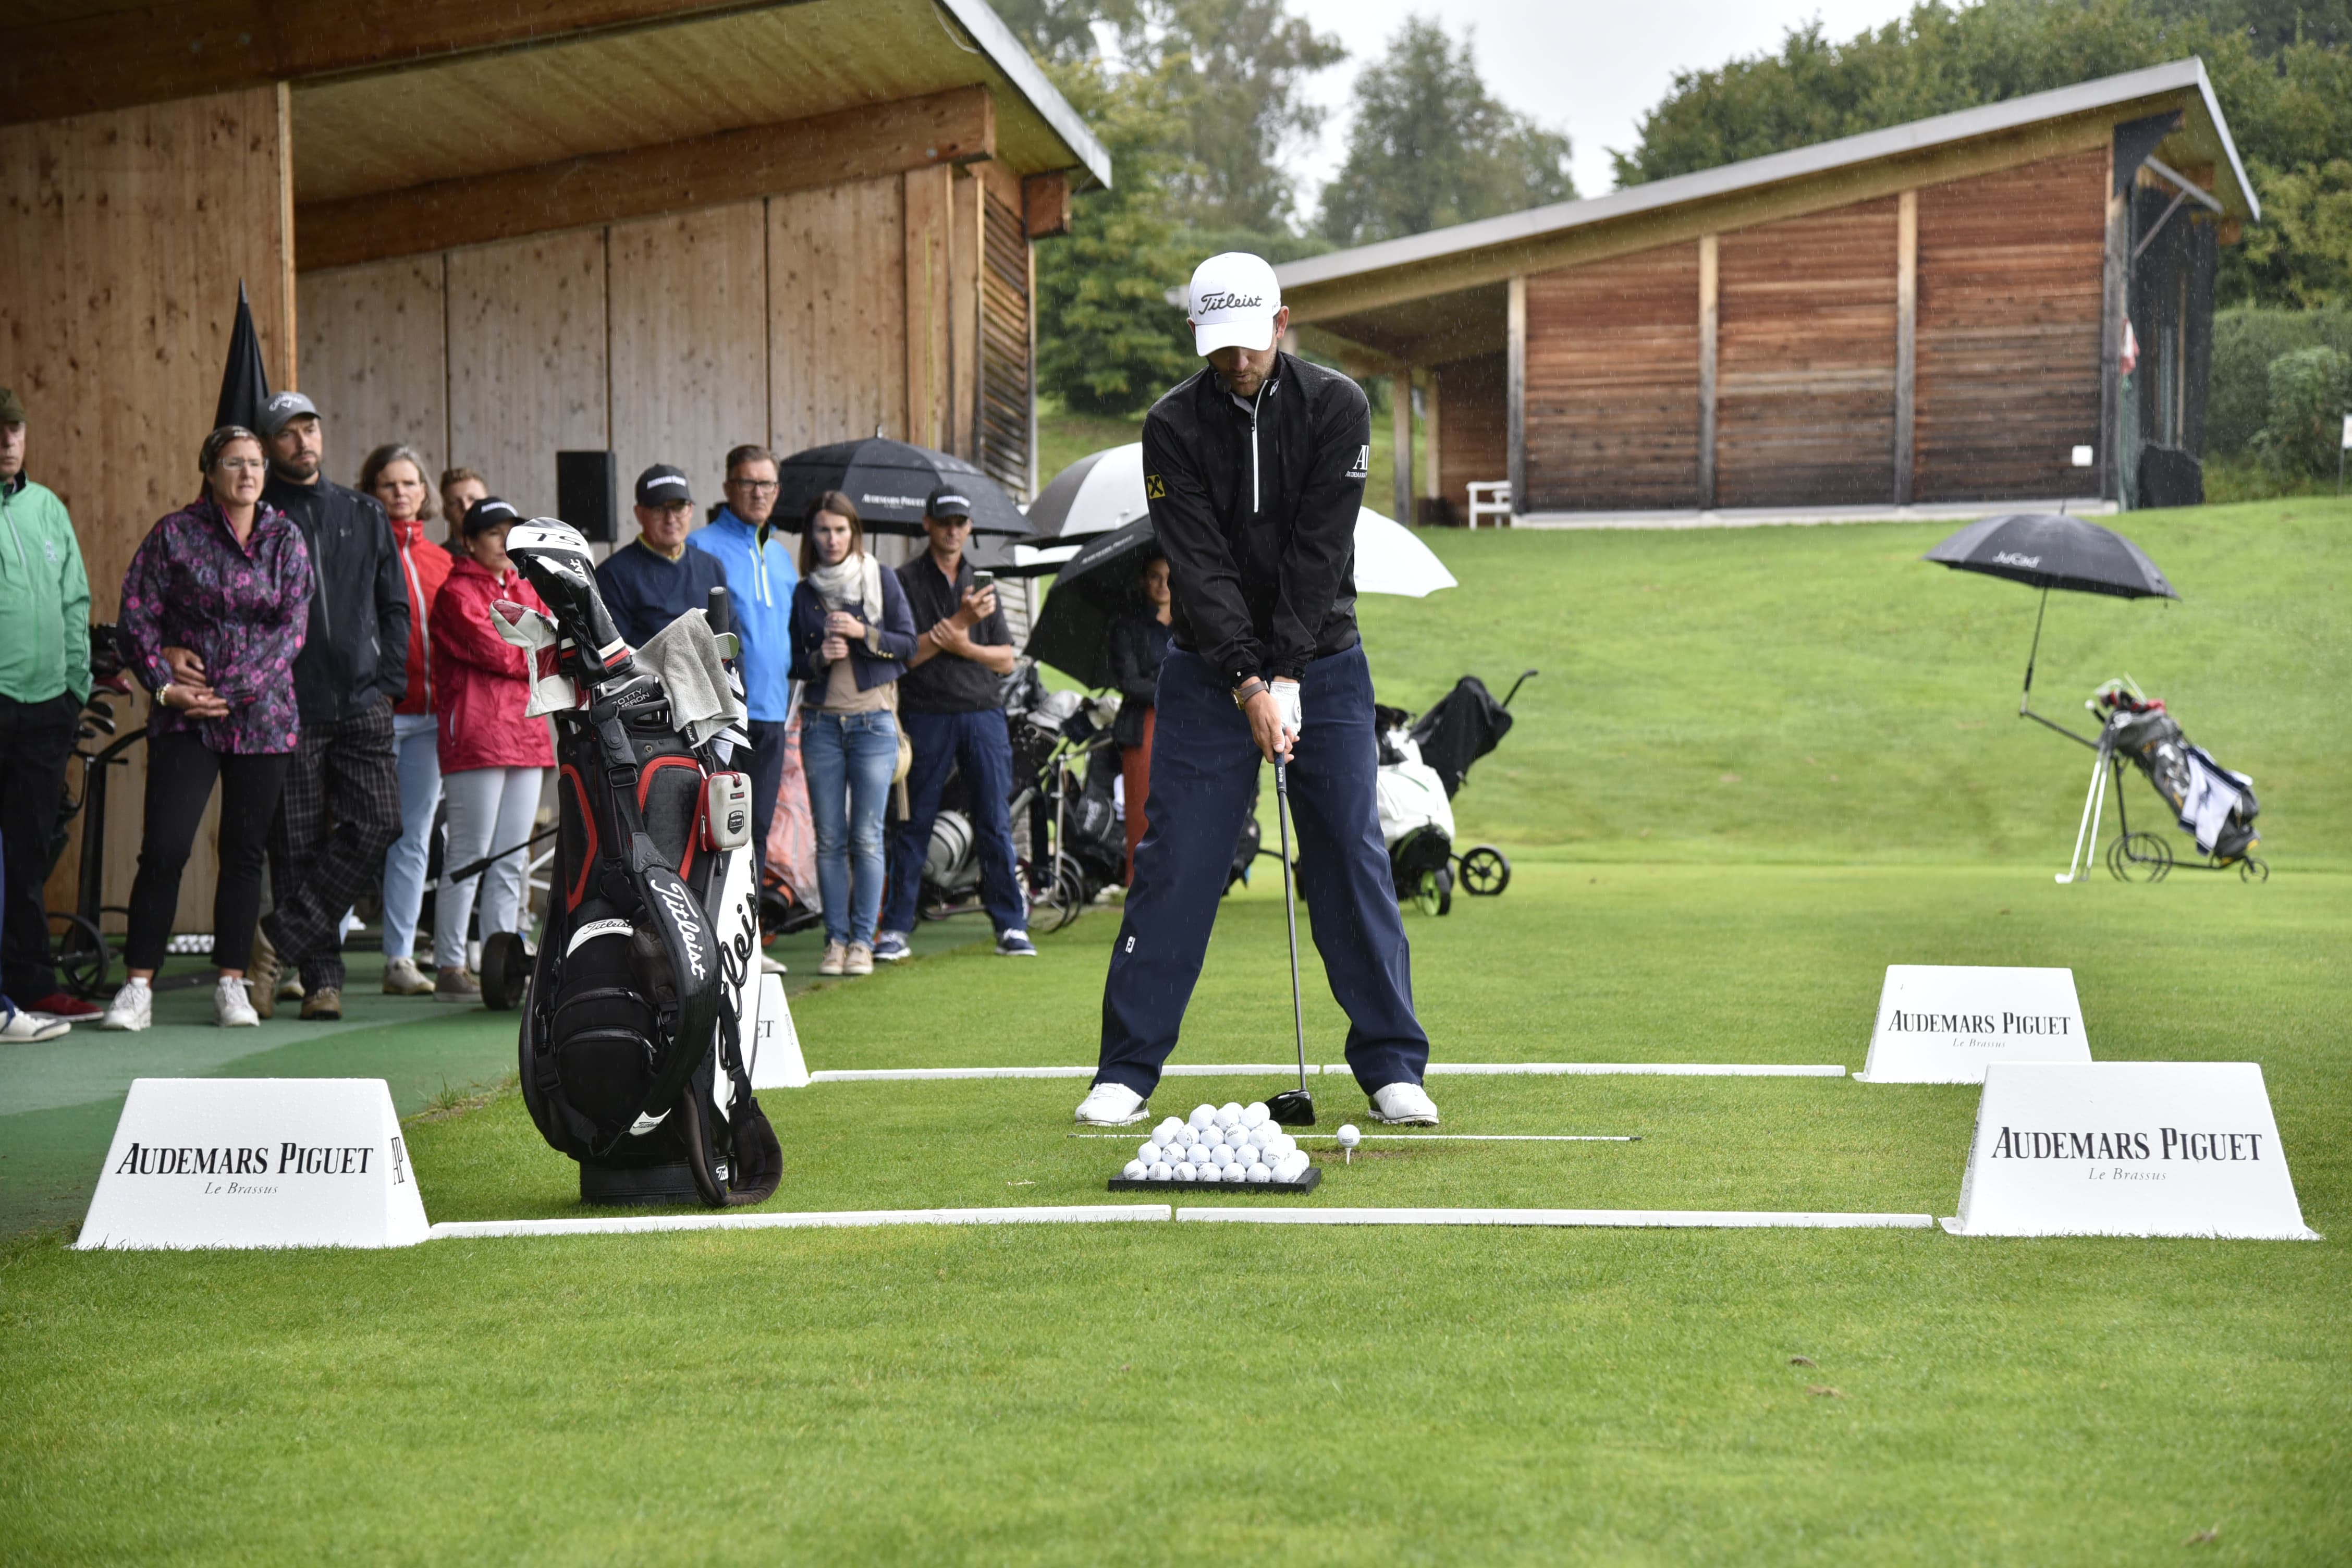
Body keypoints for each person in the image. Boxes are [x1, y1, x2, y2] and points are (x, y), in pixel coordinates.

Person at [1073, 252, 1437, 1130]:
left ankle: (1392, 1063)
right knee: (1177, 863)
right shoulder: (1173, 424)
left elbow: (1319, 554)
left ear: (1281, 324)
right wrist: (1247, 681)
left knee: (1349, 854)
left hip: (1329, 663)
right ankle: (1126, 1068)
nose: (1235, 361)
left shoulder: (1338, 407)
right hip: (1205, 672)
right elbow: (1197, 567)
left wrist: (1286, 674)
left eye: (1249, 341)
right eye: (1218, 346)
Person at [102, 425, 311, 1031]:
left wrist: (232, 690)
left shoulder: (285, 538)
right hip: (182, 714)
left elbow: (291, 630)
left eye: (256, 463)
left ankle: (231, 983)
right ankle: (137, 987)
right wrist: (164, 685)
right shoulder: (175, 534)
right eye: (233, 463)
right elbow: (135, 617)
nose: (247, 473)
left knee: (245, 856)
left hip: (263, 718)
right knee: (165, 849)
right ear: (210, 471)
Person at [237, 390, 408, 1022]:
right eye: (287, 433)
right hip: (289, 705)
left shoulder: (364, 511)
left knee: (380, 823)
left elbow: (394, 604)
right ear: (269, 445)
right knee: (297, 845)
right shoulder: (258, 515)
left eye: (310, 427)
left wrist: (390, 680)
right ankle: (321, 982)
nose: (302, 441)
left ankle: (276, 937)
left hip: (364, 699)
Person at [876, 486, 1030, 963]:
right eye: (944, 521)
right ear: (927, 524)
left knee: (993, 820)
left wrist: (960, 640)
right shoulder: (902, 581)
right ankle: (897, 928)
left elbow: (1006, 659)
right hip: (925, 714)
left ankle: (1011, 925)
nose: (953, 530)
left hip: (983, 712)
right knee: (912, 821)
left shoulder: (982, 581)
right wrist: (959, 624)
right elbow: (900, 658)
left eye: (961, 522)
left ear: (968, 527)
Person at [0, 387, 101, 1020]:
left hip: (45, 711)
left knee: (31, 850)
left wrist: (75, 690)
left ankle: (33, 986)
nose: (6, 441)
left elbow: (75, 602)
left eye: (13, 430)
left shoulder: (47, 509)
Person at [428, 498, 553, 1003]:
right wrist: (537, 644)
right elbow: (506, 652)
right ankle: (450, 964)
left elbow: (550, 647)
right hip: (478, 735)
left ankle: (503, 967)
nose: (504, 541)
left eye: (510, 531)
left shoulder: (527, 585)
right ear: (469, 541)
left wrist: (538, 645)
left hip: (526, 733)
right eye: (493, 532)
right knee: (469, 854)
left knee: (510, 858)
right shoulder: (456, 592)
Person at [788, 493, 914, 977]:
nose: (832, 539)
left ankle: (863, 940)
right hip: (820, 725)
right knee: (829, 839)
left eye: (841, 530)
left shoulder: (881, 578)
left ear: (853, 534)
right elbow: (794, 662)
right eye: (823, 530)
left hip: (873, 725)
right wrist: (822, 654)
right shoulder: (804, 592)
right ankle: (835, 941)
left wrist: (865, 635)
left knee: (866, 837)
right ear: (813, 537)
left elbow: (908, 643)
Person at [361, 443, 452, 996]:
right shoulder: (361, 554)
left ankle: (398, 956)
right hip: (374, 714)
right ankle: (310, 953)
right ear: (371, 492)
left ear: (425, 493)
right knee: (357, 831)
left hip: (431, 718)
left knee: (414, 836)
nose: (400, 492)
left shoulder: (445, 561)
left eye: (410, 483)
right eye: (388, 484)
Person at [687, 445, 798, 887]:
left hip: (773, 713)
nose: (758, 492)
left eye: (767, 483)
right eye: (748, 482)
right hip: (722, 714)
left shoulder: (783, 558)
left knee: (758, 828)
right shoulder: (701, 547)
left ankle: (747, 944)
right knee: (713, 827)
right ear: (729, 487)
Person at [594, 464, 726, 649]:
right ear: (639, 514)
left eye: (678, 507)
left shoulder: (711, 567)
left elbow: (729, 639)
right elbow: (614, 657)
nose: (670, 519)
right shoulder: (612, 576)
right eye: (658, 509)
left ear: (691, 510)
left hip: (710, 678)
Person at [1108, 552, 1175, 884]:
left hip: (1185, 725)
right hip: (1143, 725)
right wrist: (1175, 693)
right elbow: (1130, 682)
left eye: (1168, 576)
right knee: (1143, 806)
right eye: (1154, 576)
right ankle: (1141, 882)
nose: (1162, 585)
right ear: (1143, 580)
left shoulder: (1193, 625)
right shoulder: (1128, 626)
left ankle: (1181, 883)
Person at [438, 467, 487, 560]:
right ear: (444, 512)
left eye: (473, 499)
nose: (466, 507)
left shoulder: (511, 554)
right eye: (454, 503)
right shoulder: (437, 559)